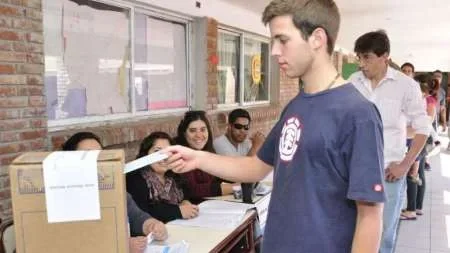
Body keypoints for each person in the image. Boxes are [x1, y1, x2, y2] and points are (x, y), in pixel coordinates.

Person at [164, 1, 386, 252]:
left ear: (317, 38)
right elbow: (255, 167)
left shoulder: (358, 114)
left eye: (283, 40)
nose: (274, 51)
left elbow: (370, 215)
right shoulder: (296, 106)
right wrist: (198, 158)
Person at [349, 31, 429, 253]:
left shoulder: (406, 86)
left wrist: (405, 164)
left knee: (383, 235)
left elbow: (423, 129)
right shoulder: (353, 82)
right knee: (354, 232)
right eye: (359, 58)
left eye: (367, 57)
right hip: (355, 172)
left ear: (385, 56)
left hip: (388, 173)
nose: (362, 64)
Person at [62, 132, 168, 253]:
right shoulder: (64, 198)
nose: (96, 160)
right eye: (87, 155)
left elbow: (135, 216)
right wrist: (120, 246)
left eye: (100, 155)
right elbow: (75, 241)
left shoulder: (112, 189)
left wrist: (152, 225)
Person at [126, 132, 199, 223]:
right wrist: (178, 211)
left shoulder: (173, 174)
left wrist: (185, 201)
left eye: (168, 152)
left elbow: (187, 193)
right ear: (146, 154)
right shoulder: (135, 178)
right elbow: (142, 211)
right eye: (157, 152)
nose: (164, 157)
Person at [175, 110, 233, 203]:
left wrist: (241, 180)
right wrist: (234, 188)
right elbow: (193, 190)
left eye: (203, 129)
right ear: (184, 133)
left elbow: (219, 175)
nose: (199, 135)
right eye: (192, 131)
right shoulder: (179, 155)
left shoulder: (207, 151)